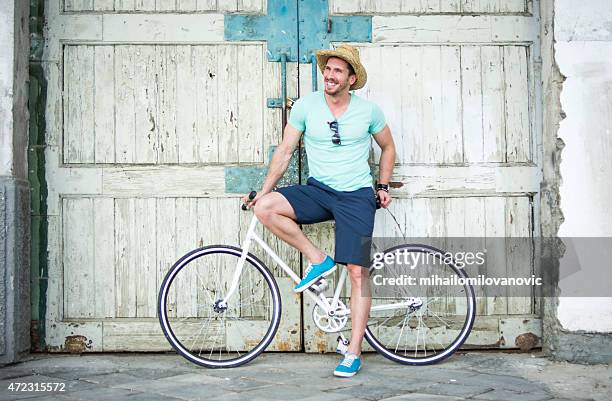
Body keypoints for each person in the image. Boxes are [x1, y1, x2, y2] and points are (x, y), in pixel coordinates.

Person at [242, 44, 396, 377]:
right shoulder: (306, 107)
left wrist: (382, 185)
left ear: (351, 79)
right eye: (327, 69)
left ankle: (353, 351)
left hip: (356, 195)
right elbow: (285, 152)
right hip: (319, 190)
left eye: (338, 70)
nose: (329, 74)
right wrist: (263, 192)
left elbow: (388, 147)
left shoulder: (369, 112)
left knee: (357, 272)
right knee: (266, 208)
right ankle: (318, 259)